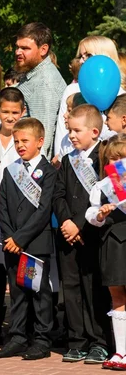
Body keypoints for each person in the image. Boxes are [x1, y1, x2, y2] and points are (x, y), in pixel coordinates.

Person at [0, 118, 57, 360]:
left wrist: (20, 238)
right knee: (18, 292)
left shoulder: (49, 173)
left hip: (35, 242)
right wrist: (10, 236)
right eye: (16, 141)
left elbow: (43, 210)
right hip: (12, 245)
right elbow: (3, 206)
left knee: (39, 293)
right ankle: (18, 336)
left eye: (25, 141)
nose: (19, 145)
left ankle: (41, 339)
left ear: (40, 142)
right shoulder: (11, 171)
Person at [53, 104, 110, 364]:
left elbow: (103, 198)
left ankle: (99, 340)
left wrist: (78, 223)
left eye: (77, 130)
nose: (72, 135)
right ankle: (77, 340)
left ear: (95, 131)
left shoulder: (104, 158)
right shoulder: (67, 159)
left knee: (93, 286)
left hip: (92, 233)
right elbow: (58, 193)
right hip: (67, 235)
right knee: (71, 287)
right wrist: (65, 221)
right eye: (70, 130)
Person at [0, 88, 23, 345]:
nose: (10, 117)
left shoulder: (26, 138)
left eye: (15, 112)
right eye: (5, 112)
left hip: (16, 215)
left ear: (23, 112)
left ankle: (20, 327)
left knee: (15, 273)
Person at [85, 134, 126, 369]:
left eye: (121, 158)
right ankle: (120, 352)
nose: (116, 163)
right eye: (111, 159)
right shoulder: (101, 187)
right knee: (117, 295)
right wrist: (100, 214)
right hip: (112, 242)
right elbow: (91, 213)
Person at [54, 36, 124, 158]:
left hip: (111, 165)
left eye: (88, 55)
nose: (81, 61)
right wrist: (60, 159)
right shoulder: (72, 90)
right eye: (80, 56)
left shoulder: (120, 94)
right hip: (74, 161)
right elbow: (62, 129)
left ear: (105, 57)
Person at [14, 22, 66, 157]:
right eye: (17, 47)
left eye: (25, 48)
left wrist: (34, 171)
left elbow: (43, 135)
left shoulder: (44, 83)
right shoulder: (35, 75)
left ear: (43, 49)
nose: (18, 52)